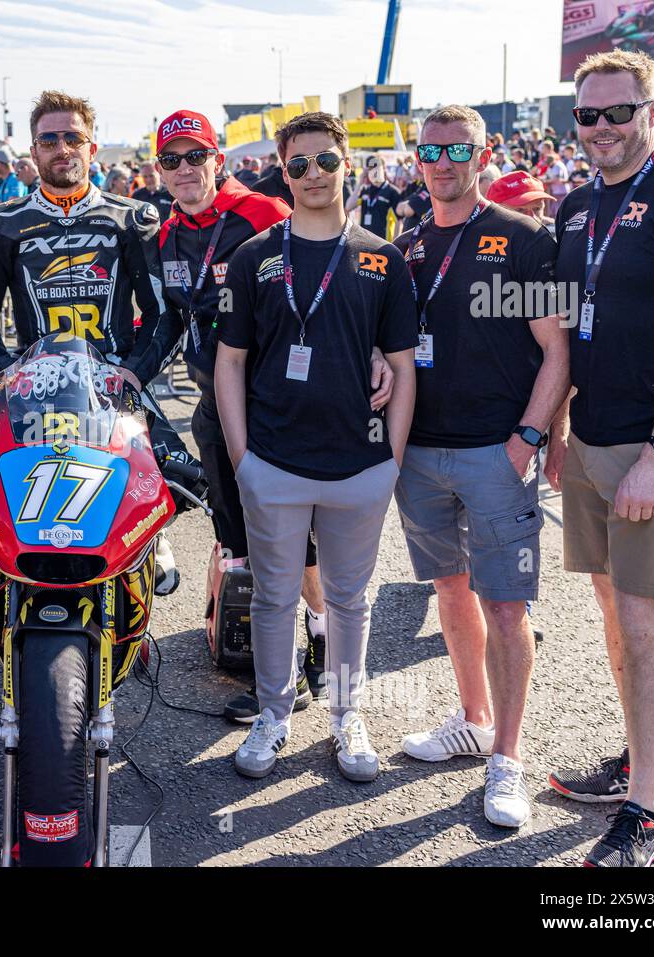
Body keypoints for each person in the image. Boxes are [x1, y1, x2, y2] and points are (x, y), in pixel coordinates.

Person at [544, 50, 654, 867]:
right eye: (590, 115)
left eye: (621, 112)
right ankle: (644, 763)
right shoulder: (577, 205)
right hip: (592, 434)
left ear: (652, 111)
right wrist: (555, 430)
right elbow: (562, 328)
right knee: (616, 620)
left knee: (646, 626)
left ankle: (646, 813)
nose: (604, 128)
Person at [154, 109, 395, 719]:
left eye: (195, 156)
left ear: (218, 159)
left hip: (281, 406)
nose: (184, 169)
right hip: (216, 408)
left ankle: (318, 643)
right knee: (242, 544)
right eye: (171, 160)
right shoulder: (164, 233)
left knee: (304, 551)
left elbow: (329, 277)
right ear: (160, 170)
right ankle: (271, 677)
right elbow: (165, 317)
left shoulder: (265, 214)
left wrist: (367, 345)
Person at [214, 111, 416, 782]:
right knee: (273, 597)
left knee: (350, 599)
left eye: (325, 161)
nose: (313, 175)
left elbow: (403, 364)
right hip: (273, 463)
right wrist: (242, 460)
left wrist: (391, 460)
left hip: (359, 464)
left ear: (345, 164)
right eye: (298, 164)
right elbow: (230, 363)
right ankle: (274, 715)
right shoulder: (255, 257)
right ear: (282, 168)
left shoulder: (379, 258)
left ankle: (345, 714)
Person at [391, 106, 569, 829]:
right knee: (450, 592)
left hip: (498, 449)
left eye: (456, 148)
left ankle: (508, 759)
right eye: (429, 150)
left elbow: (559, 349)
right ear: (417, 159)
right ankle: (472, 719)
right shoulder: (405, 248)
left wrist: (529, 438)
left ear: (482, 152)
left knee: (505, 604)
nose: (441, 161)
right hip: (423, 454)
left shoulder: (524, 237)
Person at [0, 90, 192, 593]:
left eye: (73, 137)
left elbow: (162, 314)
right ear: (33, 150)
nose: (62, 147)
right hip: (31, 384)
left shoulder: (131, 218)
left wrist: (134, 372)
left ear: (92, 147)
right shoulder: (0, 225)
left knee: (189, 478)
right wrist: (3, 373)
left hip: (114, 384)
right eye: (50, 138)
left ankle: (147, 531)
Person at [346, 152, 403, 239]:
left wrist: (396, 245)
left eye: (376, 167)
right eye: (370, 168)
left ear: (383, 168)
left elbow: (399, 221)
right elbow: (349, 207)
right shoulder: (365, 190)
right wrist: (360, 183)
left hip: (384, 244)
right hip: (365, 242)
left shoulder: (393, 192)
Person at [486, 170, 557, 229]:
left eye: (537, 209)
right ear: (496, 212)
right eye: (520, 210)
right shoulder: (480, 238)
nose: (532, 218)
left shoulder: (553, 233)